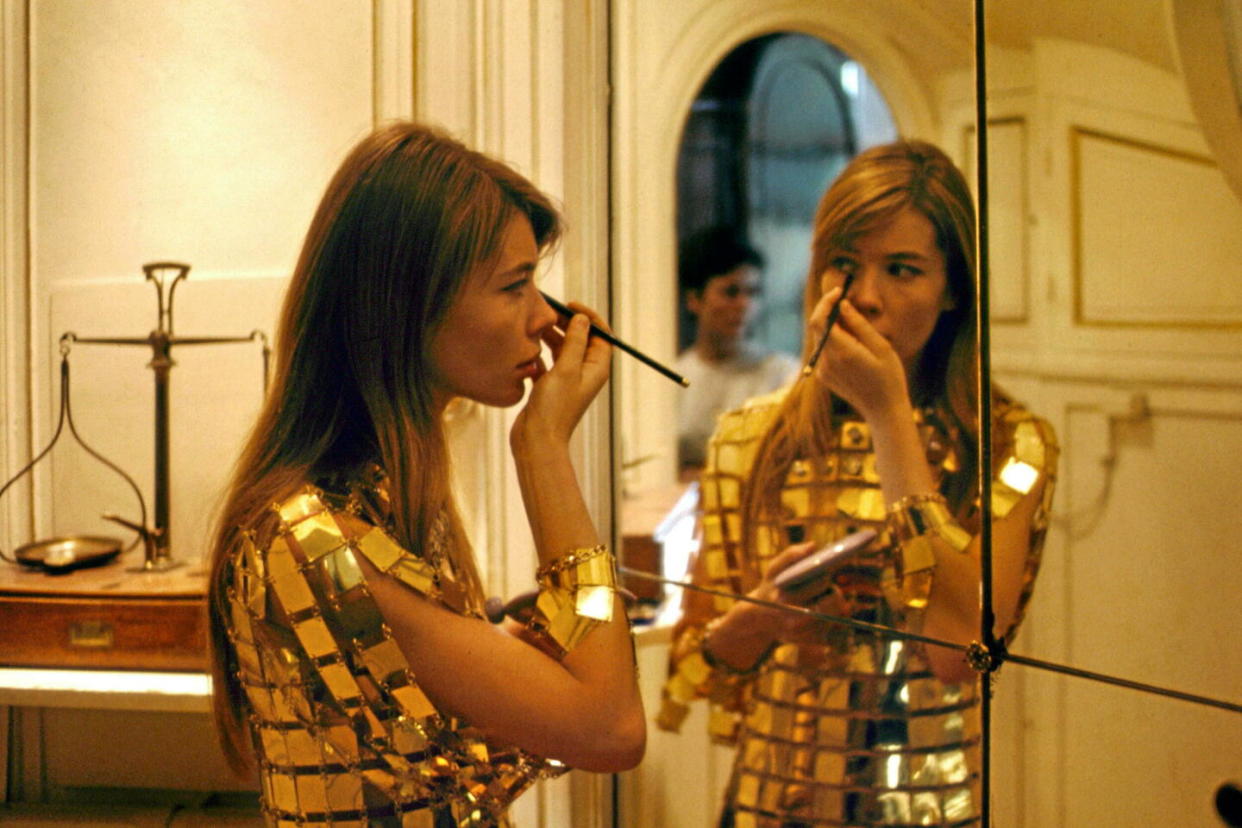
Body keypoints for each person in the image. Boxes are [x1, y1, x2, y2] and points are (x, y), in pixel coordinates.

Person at [206, 121, 644, 828]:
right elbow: (612, 728)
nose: (542, 318)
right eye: (514, 286)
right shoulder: (317, 543)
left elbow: (449, 768)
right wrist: (543, 448)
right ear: (407, 307)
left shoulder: (389, 507)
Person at [658, 141, 1058, 827]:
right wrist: (759, 617)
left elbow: (959, 650)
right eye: (844, 264)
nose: (865, 297)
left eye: (902, 270)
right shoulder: (749, 439)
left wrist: (887, 414)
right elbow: (693, 674)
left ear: (951, 287)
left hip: (924, 807)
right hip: (768, 804)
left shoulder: (1010, 444)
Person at [675, 226, 800, 470]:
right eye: (731, 292)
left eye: (753, 292)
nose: (744, 305)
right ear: (694, 300)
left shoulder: (782, 373)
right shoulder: (673, 375)